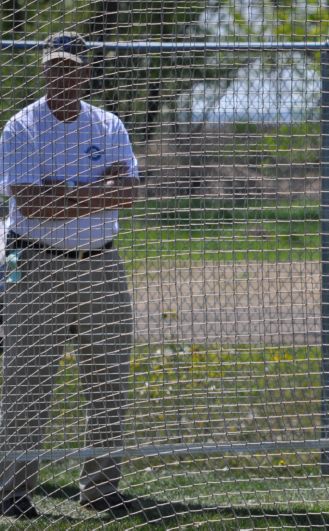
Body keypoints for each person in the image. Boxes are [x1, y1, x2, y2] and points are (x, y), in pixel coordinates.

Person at [0, 31, 140, 518]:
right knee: (27, 381)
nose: (62, 75)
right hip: (34, 264)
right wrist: (93, 192)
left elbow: (129, 191)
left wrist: (69, 195)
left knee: (108, 382)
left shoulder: (107, 124)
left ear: (86, 72)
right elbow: (32, 204)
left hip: (101, 262)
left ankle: (101, 489)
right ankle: (14, 492)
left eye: (71, 67)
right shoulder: (22, 127)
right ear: (44, 70)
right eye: (53, 66)